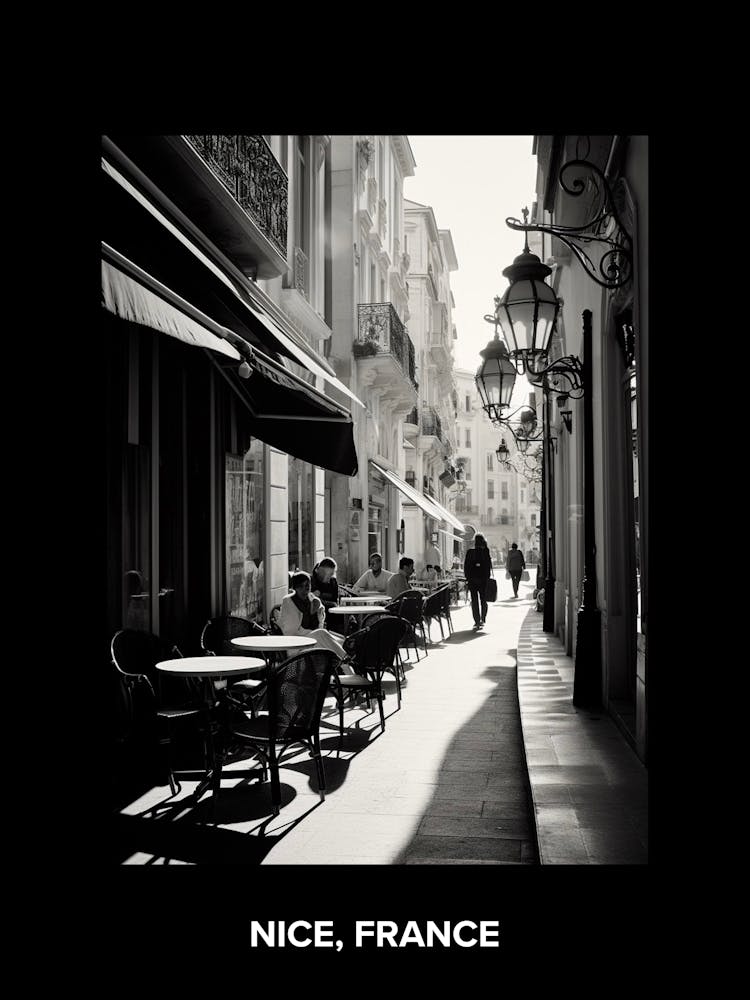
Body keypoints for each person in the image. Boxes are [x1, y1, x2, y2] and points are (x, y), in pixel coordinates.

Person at [278, 571, 352, 671]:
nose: (304, 590)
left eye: (307, 586)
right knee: (321, 634)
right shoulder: (288, 601)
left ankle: (345, 667)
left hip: (312, 639)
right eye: (301, 586)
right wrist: (310, 613)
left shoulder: (312, 599)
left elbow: (320, 623)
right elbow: (291, 630)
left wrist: (317, 612)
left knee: (339, 640)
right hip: (296, 643)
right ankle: (346, 661)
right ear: (295, 587)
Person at [464, 533, 492, 629]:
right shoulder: (485, 552)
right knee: (483, 599)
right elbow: (488, 566)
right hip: (483, 580)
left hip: (472, 580)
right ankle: (483, 618)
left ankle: (476, 621)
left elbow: (466, 566)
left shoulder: (470, 552)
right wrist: (487, 577)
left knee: (474, 600)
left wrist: (467, 578)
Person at [311, 556, 339, 628]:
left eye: (331, 575)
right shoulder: (311, 582)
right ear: (319, 571)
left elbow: (335, 601)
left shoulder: (333, 582)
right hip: (318, 614)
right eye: (328, 575)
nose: (329, 578)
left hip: (332, 614)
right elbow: (312, 601)